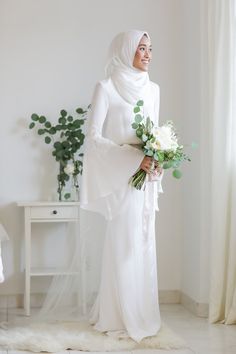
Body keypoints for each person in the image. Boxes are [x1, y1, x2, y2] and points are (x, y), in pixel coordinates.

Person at [80, 29, 164, 343]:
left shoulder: (153, 90)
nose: (148, 55)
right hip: (121, 179)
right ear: (125, 50)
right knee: (124, 244)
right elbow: (93, 138)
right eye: (141, 48)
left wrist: (158, 159)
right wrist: (131, 159)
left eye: (151, 49)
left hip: (145, 182)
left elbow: (156, 134)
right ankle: (116, 315)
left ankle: (142, 313)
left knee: (143, 243)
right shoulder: (106, 87)